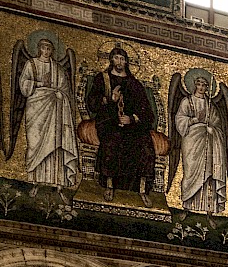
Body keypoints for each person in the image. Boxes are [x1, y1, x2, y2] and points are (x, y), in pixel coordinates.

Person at [85, 46, 157, 206]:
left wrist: (131, 119)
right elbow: (92, 104)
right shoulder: (102, 79)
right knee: (113, 141)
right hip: (109, 121)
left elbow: (147, 112)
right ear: (111, 60)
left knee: (145, 144)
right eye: (117, 58)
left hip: (131, 125)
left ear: (126, 62)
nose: (119, 61)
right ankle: (109, 185)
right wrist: (109, 99)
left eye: (122, 59)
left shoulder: (134, 84)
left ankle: (142, 190)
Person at [15, 36, 80, 200]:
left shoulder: (57, 68)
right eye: (43, 48)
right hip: (36, 109)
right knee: (35, 142)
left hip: (55, 111)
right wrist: (37, 84)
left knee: (56, 144)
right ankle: (35, 182)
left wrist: (60, 93)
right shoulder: (31, 64)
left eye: (49, 49)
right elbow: (23, 85)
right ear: (39, 49)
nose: (46, 51)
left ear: (52, 51)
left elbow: (65, 89)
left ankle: (58, 184)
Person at [173, 73, 228, 215]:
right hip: (192, 142)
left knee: (209, 175)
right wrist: (193, 121)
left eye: (204, 85)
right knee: (190, 173)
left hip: (209, 144)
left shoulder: (210, 105)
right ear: (194, 85)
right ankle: (186, 207)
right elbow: (180, 120)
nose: (201, 87)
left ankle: (209, 212)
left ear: (207, 88)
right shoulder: (187, 102)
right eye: (199, 84)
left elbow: (217, 123)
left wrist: (213, 128)